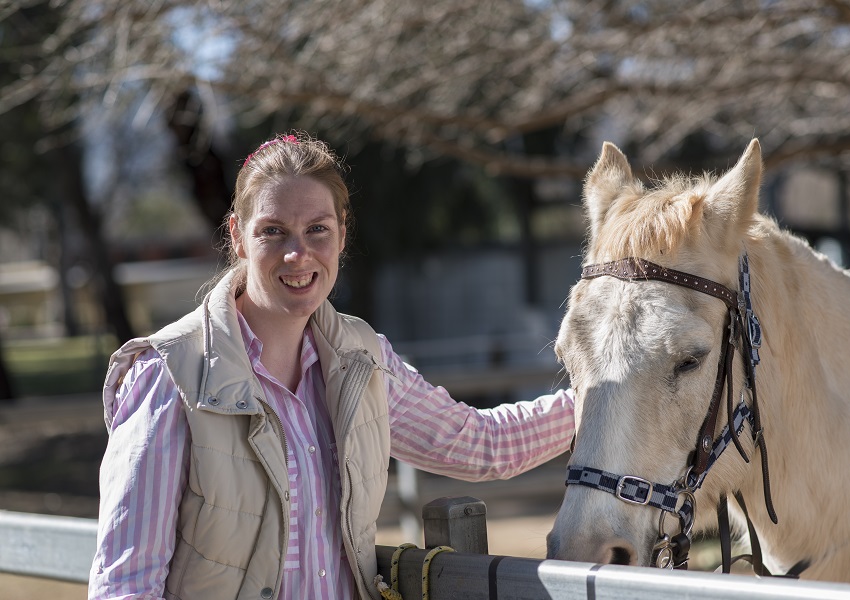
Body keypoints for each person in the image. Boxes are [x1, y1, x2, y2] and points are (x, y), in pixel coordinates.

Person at [89, 133, 575, 600]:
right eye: (272, 231)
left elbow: (482, 445)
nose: (298, 254)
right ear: (238, 235)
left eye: (317, 229)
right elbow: (126, 585)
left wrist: (606, 399)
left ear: (342, 232)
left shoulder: (362, 359)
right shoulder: (170, 374)